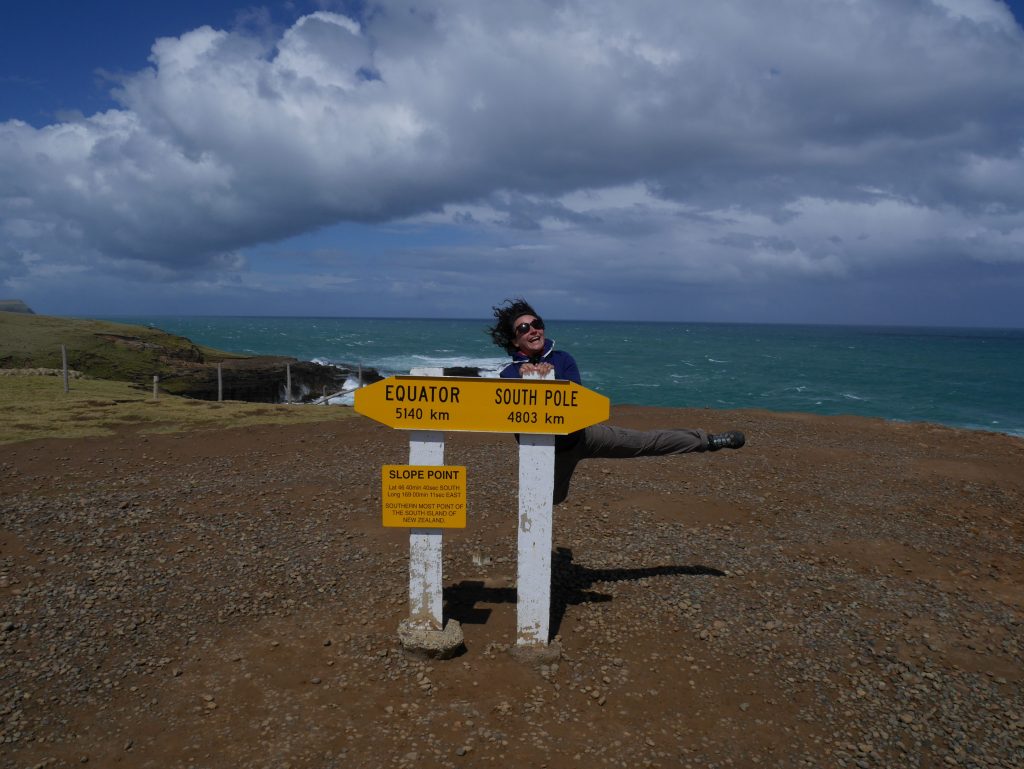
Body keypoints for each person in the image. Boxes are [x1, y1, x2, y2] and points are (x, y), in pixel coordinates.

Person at [489, 298, 745, 504]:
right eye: (524, 328)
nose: (533, 330)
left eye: (537, 323)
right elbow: (509, 420)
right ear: (514, 340)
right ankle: (537, 566)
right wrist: (525, 381)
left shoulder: (563, 359)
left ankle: (706, 441)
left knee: (646, 442)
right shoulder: (508, 375)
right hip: (549, 454)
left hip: (584, 435)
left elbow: (575, 401)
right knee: (546, 501)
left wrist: (550, 378)